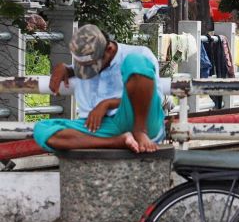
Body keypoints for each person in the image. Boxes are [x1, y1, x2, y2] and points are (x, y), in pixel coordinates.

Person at [34, 24, 165, 153]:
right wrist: (66, 68)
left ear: (109, 49)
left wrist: (108, 104)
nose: (89, 71)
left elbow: (152, 96)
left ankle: (140, 132)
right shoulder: (87, 61)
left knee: (135, 61)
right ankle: (118, 142)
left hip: (138, 118)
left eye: (92, 66)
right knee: (42, 129)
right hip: (100, 127)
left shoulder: (139, 54)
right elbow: (83, 65)